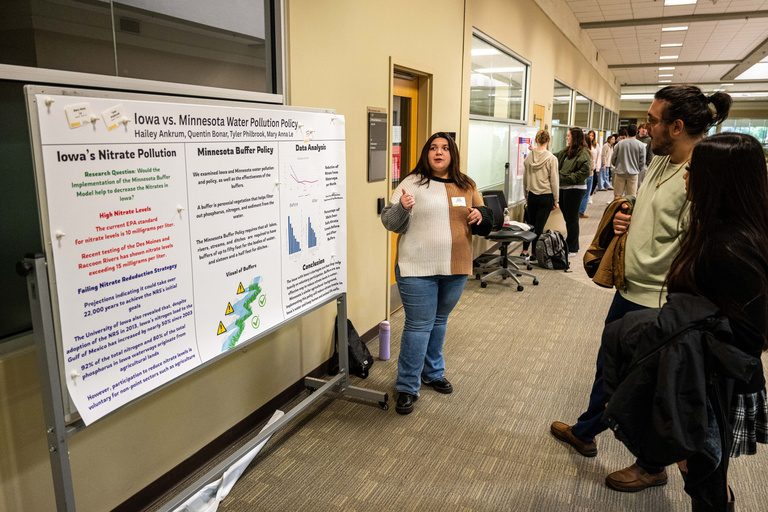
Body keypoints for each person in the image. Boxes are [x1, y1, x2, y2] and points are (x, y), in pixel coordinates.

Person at [550, 84, 732, 493]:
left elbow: (700, 246)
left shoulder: (700, 176)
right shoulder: (660, 161)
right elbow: (658, 220)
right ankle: (585, 431)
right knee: (608, 369)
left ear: (678, 126)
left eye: (652, 121)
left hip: (662, 302)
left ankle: (651, 466)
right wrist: (626, 224)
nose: (645, 127)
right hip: (631, 289)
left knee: (651, 388)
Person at [670, 133, 768, 510]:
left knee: (705, 479)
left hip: (713, 384)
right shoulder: (723, 233)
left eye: (693, 169)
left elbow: (748, 336)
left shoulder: (729, 247)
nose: (685, 175)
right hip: (707, 377)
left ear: (717, 179)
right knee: (707, 474)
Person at [380, 132, 490, 415]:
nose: (438, 152)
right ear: (426, 153)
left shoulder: (466, 184)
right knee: (418, 326)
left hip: (456, 265)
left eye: (444, 148)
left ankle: (432, 373)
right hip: (417, 267)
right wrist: (402, 209)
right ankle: (407, 385)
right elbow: (390, 223)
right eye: (433, 148)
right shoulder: (412, 183)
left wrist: (481, 216)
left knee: (439, 320)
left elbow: (485, 217)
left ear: (452, 153)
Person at [520, 129, 559, 262]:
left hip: (532, 196)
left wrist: (526, 193)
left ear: (536, 140)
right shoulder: (551, 159)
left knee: (529, 225)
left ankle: (524, 250)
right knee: (539, 226)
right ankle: (534, 254)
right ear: (548, 140)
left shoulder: (529, 157)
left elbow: (525, 178)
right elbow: (554, 181)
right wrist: (556, 200)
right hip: (546, 196)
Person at [554, 127, 591, 255]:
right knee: (568, 218)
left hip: (574, 189)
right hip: (564, 187)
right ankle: (570, 243)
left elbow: (585, 171)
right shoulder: (567, 150)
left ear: (574, 137)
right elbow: (555, 158)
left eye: (568, 135)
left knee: (572, 219)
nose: (566, 137)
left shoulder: (583, 152)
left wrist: (568, 179)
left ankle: (573, 247)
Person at [610, 124, 647, 201]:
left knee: (617, 196)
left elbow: (613, 159)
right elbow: (642, 161)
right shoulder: (641, 145)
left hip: (620, 173)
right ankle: (628, 212)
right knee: (631, 197)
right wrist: (637, 169)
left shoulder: (619, 144)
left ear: (626, 132)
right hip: (633, 174)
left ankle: (617, 211)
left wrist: (617, 165)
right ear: (637, 132)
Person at [579, 130, 600, 218]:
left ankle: (578, 211)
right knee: (586, 194)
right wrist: (595, 167)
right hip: (589, 174)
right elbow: (591, 166)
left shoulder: (580, 151)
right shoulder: (589, 152)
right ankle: (581, 212)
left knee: (581, 193)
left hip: (581, 175)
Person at [636, 123, 654, 187]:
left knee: (640, 184)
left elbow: (650, 154)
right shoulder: (635, 138)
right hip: (634, 164)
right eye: (642, 128)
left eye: (645, 129)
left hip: (643, 165)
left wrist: (649, 166)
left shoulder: (649, 140)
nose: (644, 130)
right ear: (639, 129)